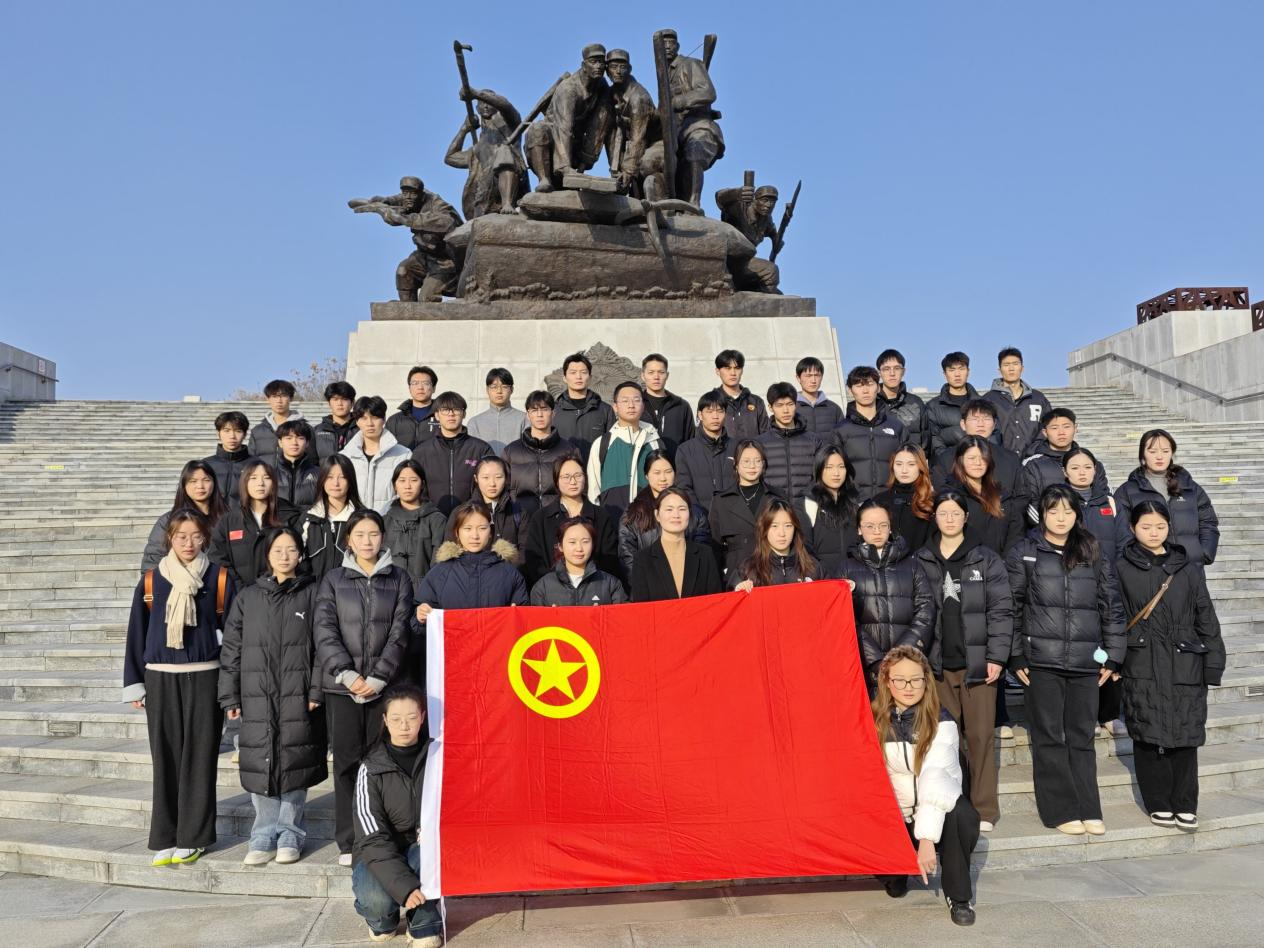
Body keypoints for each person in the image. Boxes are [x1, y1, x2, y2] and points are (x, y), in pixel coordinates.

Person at [1005, 484, 1126, 836]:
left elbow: (1111, 604)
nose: (1061, 518)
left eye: (1068, 511)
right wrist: (1015, 654)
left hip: (1086, 661)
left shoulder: (1092, 549)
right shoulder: (1025, 551)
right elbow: (1011, 607)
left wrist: (1114, 656)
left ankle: (1089, 807)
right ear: (1042, 514)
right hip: (1041, 661)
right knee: (1049, 737)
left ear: (1077, 514)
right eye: (1053, 511)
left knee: (1081, 736)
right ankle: (1060, 810)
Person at [123, 510, 235, 867]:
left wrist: (231, 687)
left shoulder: (218, 578)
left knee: (200, 758)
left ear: (205, 539)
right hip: (161, 677)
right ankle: (166, 836)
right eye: (181, 536)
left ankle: (194, 837)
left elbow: (233, 637)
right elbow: (137, 633)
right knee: (166, 758)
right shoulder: (152, 581)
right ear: (169, 538)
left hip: (205, 677)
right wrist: (135, 683)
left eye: (196, 536)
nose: (189, 543)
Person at [313, 509, 414, 866]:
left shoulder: (399, 578)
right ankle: (349, 840)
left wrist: (377, 678)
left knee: (382, 763)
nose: (367, 541)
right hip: (343, 690)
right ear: (349, 540)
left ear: (383, 537)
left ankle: (381, 835)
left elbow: (401, 631)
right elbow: (324, 629)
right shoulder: (333, 579)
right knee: (345, 764)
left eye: (373, 534)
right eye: (360, 535)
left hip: (385, 690)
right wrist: (347, 674)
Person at [1115, 501, 1225, 830]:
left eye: (1160, 526)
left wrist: (1213, 663)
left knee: (1186, 733)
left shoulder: (1187, 568)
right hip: (1141, 660)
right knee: (1146, 734)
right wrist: (1113, 657)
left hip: (1185, 660)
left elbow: (1205, 616)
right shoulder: (1120, 568)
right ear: (1133, 528)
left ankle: (1185, 802)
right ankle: (1158, 802)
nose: (1153, 532)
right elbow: (1113, 616)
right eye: (1146, 526)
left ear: (1169, 528)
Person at [219, 526, 326, 865]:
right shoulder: (248, 597)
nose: (284, 556)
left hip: (298, 692)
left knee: (295, 760)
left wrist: (316, 688)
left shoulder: (313, 593)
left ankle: (290, 832)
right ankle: (263, 834)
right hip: (257, 693)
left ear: (300, 554)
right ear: (267, 555)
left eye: (291, 549)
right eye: (277, 550)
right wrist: (230, 696)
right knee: (260, 760)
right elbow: (232, 649)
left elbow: (323, 646)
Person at [914, 491, 1014, 832]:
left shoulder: (985, 558)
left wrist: (997, 656)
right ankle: (957, 805)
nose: (950, 519)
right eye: (943, 513)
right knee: (946, 738)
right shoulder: (921, 559)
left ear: (966, 517)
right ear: (935, 518)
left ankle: (984, 809)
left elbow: (1001, 610)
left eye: (956, 513)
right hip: (938, 667)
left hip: (978, 666)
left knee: (981, 736)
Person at [872, 646, 979, 926]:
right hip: (897, 817)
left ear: (926, 681)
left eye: (916, 679)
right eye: (900, 680)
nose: (908, 687)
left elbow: (935, 778)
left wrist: (926, 839)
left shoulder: (941, 721)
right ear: (887, 682)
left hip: (933, 815)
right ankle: (895, 873)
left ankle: (959, 896)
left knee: (962, 813)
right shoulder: (873, 720)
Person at [350, 683, 442, 947]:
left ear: (422, 717)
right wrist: (405, 887)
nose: (404, 726)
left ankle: (424, 922)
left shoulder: (438, 758)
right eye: (396, 719)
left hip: (421, 848)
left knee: (434, 851)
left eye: (411, 718)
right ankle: (383, 921)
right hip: (379, 851)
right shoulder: (371, 769)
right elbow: (371, 838)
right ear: (385, 720)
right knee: (376, 901)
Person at [837, 499, 936, 690]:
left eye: (883, 525)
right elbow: (843, 619)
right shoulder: (845, 569)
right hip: (864, 669)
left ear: (890, 528)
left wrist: (900, 655)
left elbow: (925, 612)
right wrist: (875, 660)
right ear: (859, 529)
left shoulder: (913, 566)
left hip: (907, 669)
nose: (877, 531)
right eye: (869, 526)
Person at [1113, 428, 1220, 566]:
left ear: (1172, 453)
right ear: (1142, 455)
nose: (1159, 457)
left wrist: (1203, 553)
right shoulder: (1127, 491)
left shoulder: (1191, 488)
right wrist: (1137, 561)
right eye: (1152, 452)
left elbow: (1208, 522)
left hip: (1190, 567)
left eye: (1165, 451)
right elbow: (1121, 530)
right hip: (1148, 570)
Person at [414, 501, 529, 615]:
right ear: (457, 532)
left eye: (482, 528)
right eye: (467, 528)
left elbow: (525, 616)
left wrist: (519, 614)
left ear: (490, 532)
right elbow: (419, 616)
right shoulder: (440, 573)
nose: (475, 536)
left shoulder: (509, 574)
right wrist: (421, 615)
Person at [522, 455, 618, 587]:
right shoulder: (541, 518)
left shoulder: (601, 516)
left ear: (585, 477)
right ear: (556, 480)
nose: (573, 482)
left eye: (578, 475)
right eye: (566, 477)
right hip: (552, 591)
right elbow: (534, 561)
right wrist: (550, 587)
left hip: (594, 589)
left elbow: (609, 558)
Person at [618, 450, 710, 580]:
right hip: (648, 585)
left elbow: (702, 553)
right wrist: (645, 583)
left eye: (668, 471)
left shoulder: (694, 512)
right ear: (646, 475)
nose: (663, 478)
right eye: (657, 473)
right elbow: (627, 556)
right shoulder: (633, 513)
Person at [630, 488, 725, 601]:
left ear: (689, 513)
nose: (676, 515)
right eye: (669, 509)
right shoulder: (643, 559)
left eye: (682, 509)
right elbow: (641, 606)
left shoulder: (705, 554)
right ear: (657, 515)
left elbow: (715, 602)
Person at [708, 440, 785, 578]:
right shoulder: (721, 501)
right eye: (746, 461)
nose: (752, 466)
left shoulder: (777, 497)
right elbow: (715, 547)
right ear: (736, 464)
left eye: (757, 461)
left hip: (772, 572)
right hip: (737, 575)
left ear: (763, 464)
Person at [410, 391, 495, 515]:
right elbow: (415, 487)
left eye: (456, 409)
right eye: (445, 410)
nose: (451, 414)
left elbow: (490, 484)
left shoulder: (481, 449)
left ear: (464, 414)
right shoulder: (422, 451)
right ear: (437, 415)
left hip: (471, 517)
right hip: (432, 518)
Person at [1020, 408, 1108, 525]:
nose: (1061, 432)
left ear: (1075, 428)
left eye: (1066, 427)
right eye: (1054, 428)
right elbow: (1029, 504)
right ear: (1045, 432)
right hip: (1049, 531)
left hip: (1090, 530)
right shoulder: (1032, 464)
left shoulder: (1092, 463)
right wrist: (1055, 528)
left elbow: (1103, 497)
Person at [209, 460, 287, 588]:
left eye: (266, 478)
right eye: (253, 478)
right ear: (244, 482)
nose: (260, 483)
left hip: (279, 593)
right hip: (239, 594)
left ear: (274, 483)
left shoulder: (287, 518)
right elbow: (217, 557)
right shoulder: (229, 521)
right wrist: (238, 587)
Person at [835, 365, 907, 501]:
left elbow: (909, 463)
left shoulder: (896, 426)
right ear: (850, 390)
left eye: (870, 384)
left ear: (878, 388)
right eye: (859, 385)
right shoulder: (840, 430)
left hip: (891, 500)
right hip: (854, 502)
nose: (865, 390)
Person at [140, 461, 228, 572]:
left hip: (219, 580)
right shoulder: (168, 521)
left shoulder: (228, 518)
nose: (200, 486)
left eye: (206, 480)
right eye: (193, 481)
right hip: (178, 581)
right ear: (184, 485)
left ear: (214, 483)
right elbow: (153, 560)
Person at [586, 381, 661, 511]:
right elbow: (593, 490)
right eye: (625, 401)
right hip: (611, 517)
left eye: (636, 400)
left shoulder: (654, 441)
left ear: (643, 406)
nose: (631, 405)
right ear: (615, 407)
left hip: (648, 517)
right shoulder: (602, 443)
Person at [944, 437, 1023, 554]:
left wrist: (1005, 562)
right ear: (960, 460)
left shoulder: (1003, 496)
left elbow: (1015, 535)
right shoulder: (950, 496)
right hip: (967, 563)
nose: (978, 463)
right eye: (971, 458)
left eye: (983, 458)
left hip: (1002, 563)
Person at [930, 398, 1022, 500]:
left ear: (994, 424)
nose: (981, 424)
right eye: (974, 419)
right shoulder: (946, 458)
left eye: (986, 419)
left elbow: (1022, 494)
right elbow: (942, 492)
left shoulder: (1010, 458)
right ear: (963, 424)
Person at [530, 517, 630, 606]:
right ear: (560, 546)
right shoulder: (543, 587)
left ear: (593, 545)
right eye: (572, 542)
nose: (579, 548)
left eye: (585, 542)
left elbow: (622, 618)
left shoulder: (611, 584)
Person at [503, 390, 572, 515]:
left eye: (545, 409)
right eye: (534, 410)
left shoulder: (568, 449)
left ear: (553, 413)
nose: (540, 415)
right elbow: (503, 488)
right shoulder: (511, 451)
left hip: (559, 517)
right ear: (527, 415)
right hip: (521, 518)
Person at [793, 445, 858, 575]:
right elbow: (804, 548)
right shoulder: (807, 503)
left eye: (841, 467)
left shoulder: (857, 501)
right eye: (829, 467)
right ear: (819, 469)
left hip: (855, 577)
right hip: (822, 578)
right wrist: (822, 575)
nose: (836, 473)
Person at [730, 499, 820, 590]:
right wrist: (738, 589)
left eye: (788, 526)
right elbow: (730, 595)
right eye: (774, 526)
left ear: (795, 528)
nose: (782, 533)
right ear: (764, 529)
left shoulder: (812, 567)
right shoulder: (748, 570)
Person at [381, 460, 447, 584]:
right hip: (389, 588)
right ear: (395, 485)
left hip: (424, 589)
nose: (407, 486)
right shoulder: (385, 520)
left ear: (422, 484)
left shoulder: (436, 520)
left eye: (413, 480)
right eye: (402, 480)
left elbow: (439, 564)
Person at [340, 396, 411, 512]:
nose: (370, 423)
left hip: (390, 520)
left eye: (375, 417)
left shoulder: (403, 455)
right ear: (357, 421)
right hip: (354, 520)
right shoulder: (345, 456)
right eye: (363, 418)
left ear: (384, 419)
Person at [301, 456, 366, 580]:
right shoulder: (309, 518)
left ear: (350, 480)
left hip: (351, 588)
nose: (335, 483)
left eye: (342, 477)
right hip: (314, 588)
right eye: (329, 477)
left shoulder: (362, 518)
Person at [445, 456, 527, 548]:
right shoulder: (461, 512)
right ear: (476, 478)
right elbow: (451, 549)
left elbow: (525, 550)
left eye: (498, 477)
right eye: (485, 477)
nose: (492, 483)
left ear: (506, 478)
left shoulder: (518, 512)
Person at [983, 347, 1051, 457]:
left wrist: (1034, 451)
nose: (1011, 368)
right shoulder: (988, 399)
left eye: (1015, 364)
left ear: (1022, 368)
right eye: (1006, 365)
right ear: (999, 370)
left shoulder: (1038, 398)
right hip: (1000, 459)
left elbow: (1048, 425)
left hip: (1033, 459)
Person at [674, 390, 736, 510]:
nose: (715, 416)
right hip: (700, 516)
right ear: (700, 415)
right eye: (709, 411)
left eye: (720, 411)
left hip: (733, 515)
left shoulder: (737, 447)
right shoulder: (685, 450)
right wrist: (699, 514)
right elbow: (684, 488)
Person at [758, 381, 820, 499]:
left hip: (807, 505)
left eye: (790, 404)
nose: (785, 410)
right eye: (779, 405)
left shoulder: (813, 440)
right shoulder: (760, 442)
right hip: (774, 506)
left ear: (796, 405)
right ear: (770, 407)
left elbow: (821, 475)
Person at [875, 445, 935, 551]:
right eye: (899, 464)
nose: (904, 470)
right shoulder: (879, 501)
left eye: (911, 464)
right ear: (892, 466)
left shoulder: (933, 501)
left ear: (920, 467)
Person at [552, 353, 615, 454]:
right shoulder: (553, 410)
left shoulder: (605, 410)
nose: (578, 376)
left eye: (583, 372)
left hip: (595, 464)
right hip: (562, 464)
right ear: (564, 378)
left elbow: (612, 446)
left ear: (590, 377)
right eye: (573, 372)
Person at [638, 353, 695, 458]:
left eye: (661, 372)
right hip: (642, 465)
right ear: (643, 375)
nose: (656, 377)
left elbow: (690, 442)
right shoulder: (636, 404)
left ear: (667, 375)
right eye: (651, 372)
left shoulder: (681, 406)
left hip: (675, 465)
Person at [925, 352, 979, 456]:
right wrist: (948, 460)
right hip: (947, 462)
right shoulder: (933, 406)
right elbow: (933, 439)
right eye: (952, 370)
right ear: (945, 374)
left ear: (968, 372)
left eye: (961, 369)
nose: (957, 374)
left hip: (978, 460)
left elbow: (992, 435)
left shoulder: (982, 404)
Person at [249, 379, 315, 464]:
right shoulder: (257, 431)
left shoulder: (306, 428)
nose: (279, 401)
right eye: (274, 396)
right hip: (266, 472)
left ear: (291, 398)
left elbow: (313, 460)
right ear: (268, 399)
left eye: (283, 396)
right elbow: (250, 462)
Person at [708, 349, 768, 441]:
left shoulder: (756, 402)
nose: (733, 373)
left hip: (753, 450)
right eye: (728, 368)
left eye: (737, 368)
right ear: (717, 371)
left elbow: (766, 435)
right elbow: (704, 437)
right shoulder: (710, 402)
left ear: (742, 371)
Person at [466, 367, 527, 456]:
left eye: (504, 387)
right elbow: (471, 455)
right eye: (494, 387)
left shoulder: (524, 419)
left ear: (512, 390)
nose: (499, 391)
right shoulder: (475, 423)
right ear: (487, 390)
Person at [876, 349, 928, 450]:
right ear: (879, 373)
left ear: (903, 371)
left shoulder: (916, 403)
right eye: (886, 369)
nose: (892, 373)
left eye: (897, 368)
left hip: (912, 458)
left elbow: (926, 441)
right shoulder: (872, 404)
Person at [385, 366, 439, 451]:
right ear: (409, 388)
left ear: (434, 388)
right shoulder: (394, 420)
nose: (420, 387)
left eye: (426, 383)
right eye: (415, 383)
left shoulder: (444, 418)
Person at [204, 410, 254, 503]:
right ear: (218, 433)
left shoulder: (256, 465)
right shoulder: (205, 465)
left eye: (238, 431)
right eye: (226, 431)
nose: (232, 436)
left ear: (245, 434)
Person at [274, 420, 320, 510]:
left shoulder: (319, 474)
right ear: (280, 442)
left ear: (307, 443)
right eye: (289, 438)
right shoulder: (270, 474)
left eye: (300, 438)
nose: (294, 442)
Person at [794, 356, 843, 433]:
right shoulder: (791, 408)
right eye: (808, 376)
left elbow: (843, 435)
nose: (813, 380)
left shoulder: (834, 408)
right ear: (798, 378)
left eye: (817, 375)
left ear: (822, 377)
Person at [314, 380, 358, 460]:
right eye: (335, 399)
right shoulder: (317, 431)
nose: (340, 403)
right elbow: (311, 461)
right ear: (329, 403)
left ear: (352, 403)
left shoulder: (361, 429)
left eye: (344, 399)